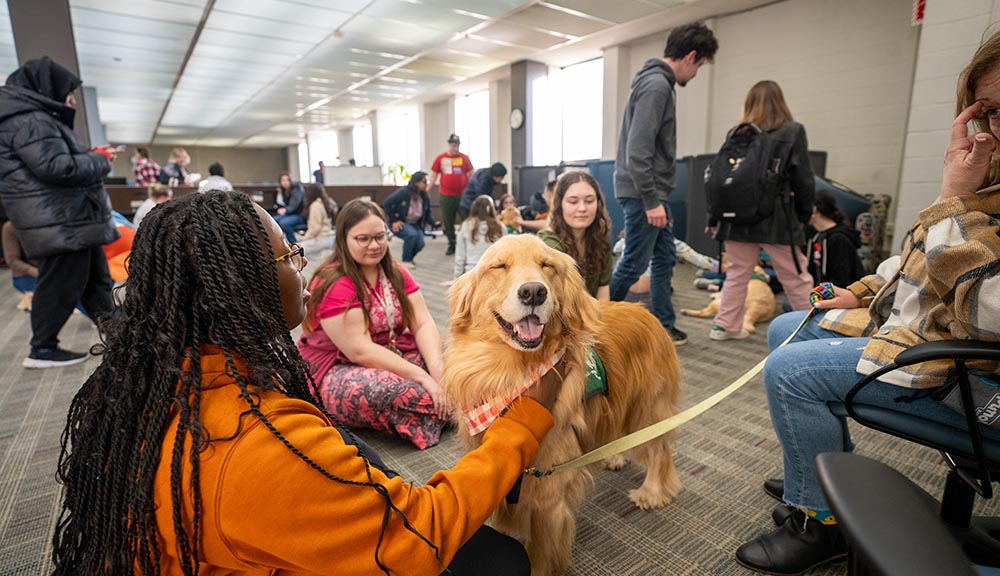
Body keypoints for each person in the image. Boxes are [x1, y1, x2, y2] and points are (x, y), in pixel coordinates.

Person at [51, 191, 557, 576]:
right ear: (242, 286)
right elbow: (419, 534)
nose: (301, 267)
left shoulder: (148, 378)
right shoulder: (257, 445)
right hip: (327, 428)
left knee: (357, 451)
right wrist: (527, 416)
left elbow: (424, 324)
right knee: (505, 561)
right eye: (289, 257)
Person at [735, 34, 1000, 576]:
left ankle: (821, 522)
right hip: (925, 331)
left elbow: (986, 314)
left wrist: (952, 197)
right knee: (790, 324)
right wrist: (858, 290)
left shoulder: (971, 187)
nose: (994, 128)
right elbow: (920, 256)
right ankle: (811, 469)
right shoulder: (989, 182)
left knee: (790, 372)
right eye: (989, 111)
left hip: (978, 381)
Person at [298, 199, 449, 450]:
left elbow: (422, 323)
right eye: (363, 239)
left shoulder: (396, 272)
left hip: (392, 353)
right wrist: (425, 379)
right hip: (338, 368)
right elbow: (360, 351)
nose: (374, 245)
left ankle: (451, 404)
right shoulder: (334, 281)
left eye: (380, 237)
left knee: (461, 353)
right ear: (343, 239)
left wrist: (438, 371)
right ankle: (462, 406)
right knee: (397, 392)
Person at [0, 56, 119, 368]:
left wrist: (92, 156)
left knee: (95, 281)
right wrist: (102, 159)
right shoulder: (31, 121)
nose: (72, 99)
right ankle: (42, 348)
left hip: (65, 217)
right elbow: (57, 167)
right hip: (60, 218)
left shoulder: (27, 119)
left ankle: (121, 334)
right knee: (61, 285)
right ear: (48, 87)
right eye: (68, 91)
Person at [609, 21, 719, 346]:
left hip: (652, 192)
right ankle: (600, 323)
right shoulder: (657, 85)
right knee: (634, 262)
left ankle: (663, 324)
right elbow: (638, 149)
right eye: (700, 65)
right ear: (691, 56)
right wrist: (651, 201)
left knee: (664, 257)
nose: (697, 73)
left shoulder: (658, 84)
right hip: (646, 193)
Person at [709, 80, 815, 341]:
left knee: (737, 274)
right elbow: (803, 178)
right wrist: (803, 214)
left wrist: (715, 217)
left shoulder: (736, 133)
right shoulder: (792, 131)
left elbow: (722, 181)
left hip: (736, 219)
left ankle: (725, 326)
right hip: (776, 218)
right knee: (796, 276)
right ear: (780, 102)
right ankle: (810, 332)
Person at [538, 172, 613, 300]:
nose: (582, 208)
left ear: (598, 204)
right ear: (560, 205)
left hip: (594, 314)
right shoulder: (548, 244)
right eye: (573, 202)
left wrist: (600, 319)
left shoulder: (601, 239)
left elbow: (603, 292)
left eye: (589, 201)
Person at [807, 190, 865, 287]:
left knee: (796, 301)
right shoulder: (816, 236)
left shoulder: (839, 239)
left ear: (814, 209)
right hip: (824, 291)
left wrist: (813, 297)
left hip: (842, 295)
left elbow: (840, 282)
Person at [428, 133, 473, 256]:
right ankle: (452, 243)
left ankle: (467, 243)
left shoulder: (464, 158)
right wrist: (428, 188)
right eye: (453, 145)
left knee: (466, 219)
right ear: (449, 145)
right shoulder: (441, 158)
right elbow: (433, 175)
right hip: (446, 195)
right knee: (448, 220)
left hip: (463, 195)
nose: (455, 148)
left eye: (457, 146)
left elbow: (471, 175)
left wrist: (471, 191)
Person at [382, 171, 433, 268]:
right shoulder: (404, 192)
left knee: (420, 243)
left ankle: (410, 258)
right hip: (402, 222)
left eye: (427, 182)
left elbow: (427, 212)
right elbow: (387, 203)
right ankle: (406, 260)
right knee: (412, 235)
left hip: (416, 223)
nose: (426, 184)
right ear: (416, 182)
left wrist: (434, 223)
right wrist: (394, 220)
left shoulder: (424, 196)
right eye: (424, 182)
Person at [455, 195, 506, 280]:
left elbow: (460, 257)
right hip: (495, 274)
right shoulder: (500, 228)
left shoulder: (465, 226)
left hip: (471, 272)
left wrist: (456, 279)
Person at [274, 171, 306, 244]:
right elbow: (279, 204)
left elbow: (294, 205)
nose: (285, 182)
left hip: (300, 215)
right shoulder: (283, 190)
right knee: (273, 220)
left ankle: (294, 244)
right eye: (283, 180)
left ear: (291, 181)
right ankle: (281, 243)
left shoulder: (297, 188)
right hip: (289, 214)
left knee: (284, 223)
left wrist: (285, 209)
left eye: (287, 180)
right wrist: (279, 193)